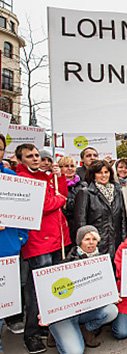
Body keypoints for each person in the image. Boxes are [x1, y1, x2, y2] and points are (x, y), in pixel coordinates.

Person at [15, 144, 71, 354]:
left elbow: (60, 195)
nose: (36, 158)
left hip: (56, 238)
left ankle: (45, 325)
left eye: (37, 155)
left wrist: (60, 177)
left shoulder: (44, 175)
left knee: (52, 286)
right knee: (37, 289)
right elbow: (45, 205)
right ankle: (31, 333)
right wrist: (59, 199)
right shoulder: (21, 178)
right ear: (21, 160)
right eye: (30, 156)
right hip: (39, 241)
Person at [48, 226, 118, 353]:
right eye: (86, 239)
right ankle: (57, 334)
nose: (91, 242)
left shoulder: (104, 261)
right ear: (80, 241)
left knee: (112, 310)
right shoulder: (65, 263)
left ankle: (85, 329)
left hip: (86, 310)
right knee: (75, 352)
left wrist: (112, 295)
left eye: (94, 239)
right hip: (66, 314)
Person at [0, 134, 29, 354]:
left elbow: (25, 215)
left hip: (8, 250)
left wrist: (20, 239)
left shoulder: (12, 178)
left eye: (0, 148)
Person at [74, 160, 127, 259]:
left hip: (116, 243)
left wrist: (124, 242)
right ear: (93, 175)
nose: (103, 175)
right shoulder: (85, 193)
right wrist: (87, 245)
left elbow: (123, 219)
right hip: (96, 245)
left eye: (106, 172)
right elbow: (81, 223)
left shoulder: (118, 191)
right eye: (99, 172)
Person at [58, 156, 83, 241]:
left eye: (72, 166)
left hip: (78, 224)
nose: (69, 168)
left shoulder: (83, 185)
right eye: (66, 166)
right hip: (63, 224)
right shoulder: (56, 185)